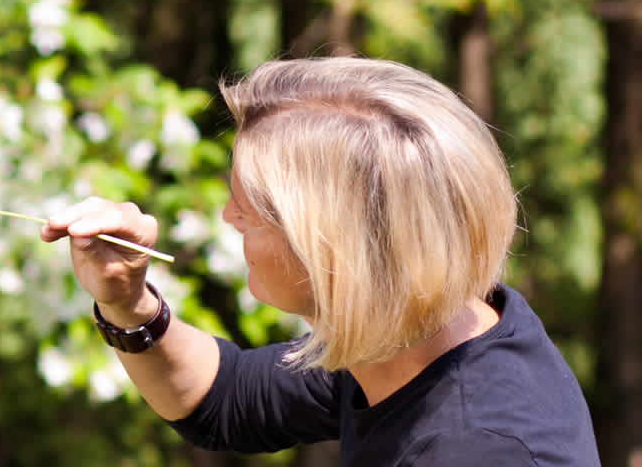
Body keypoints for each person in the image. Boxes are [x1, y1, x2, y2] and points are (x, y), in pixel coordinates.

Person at [42, 57, 599, 466]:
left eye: (252, 209)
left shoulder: (480, 450)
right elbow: (226, 400)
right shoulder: (428, 333)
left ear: (335, 248)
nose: (229, 216)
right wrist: (127, 300)